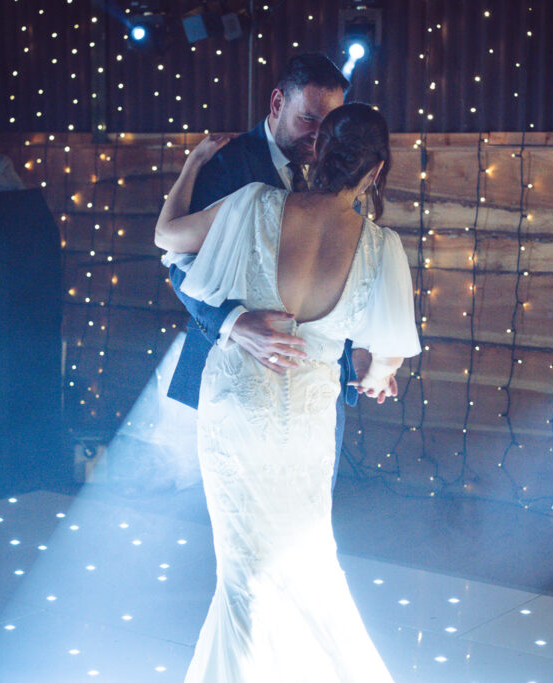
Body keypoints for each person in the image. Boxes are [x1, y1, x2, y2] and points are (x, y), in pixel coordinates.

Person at [155, 103, 420, 680]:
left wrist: (195, 162)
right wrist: (376, 376)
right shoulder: (382, 247)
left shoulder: (252, 203)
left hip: (233, 412)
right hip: (304, 427)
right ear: (376, 172)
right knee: (305, 562)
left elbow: (166, 234)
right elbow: (385, 358)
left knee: (241, 570)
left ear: (316, 151)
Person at [166, 54, 389, 480]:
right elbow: (180, 263)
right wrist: (234, 322)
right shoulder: (228, 164)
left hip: (316, 389)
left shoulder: (340, 168)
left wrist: (360, 352)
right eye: (309, 119)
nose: (321, 136)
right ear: (276, 104)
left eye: (330, 123)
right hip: (236, 374)